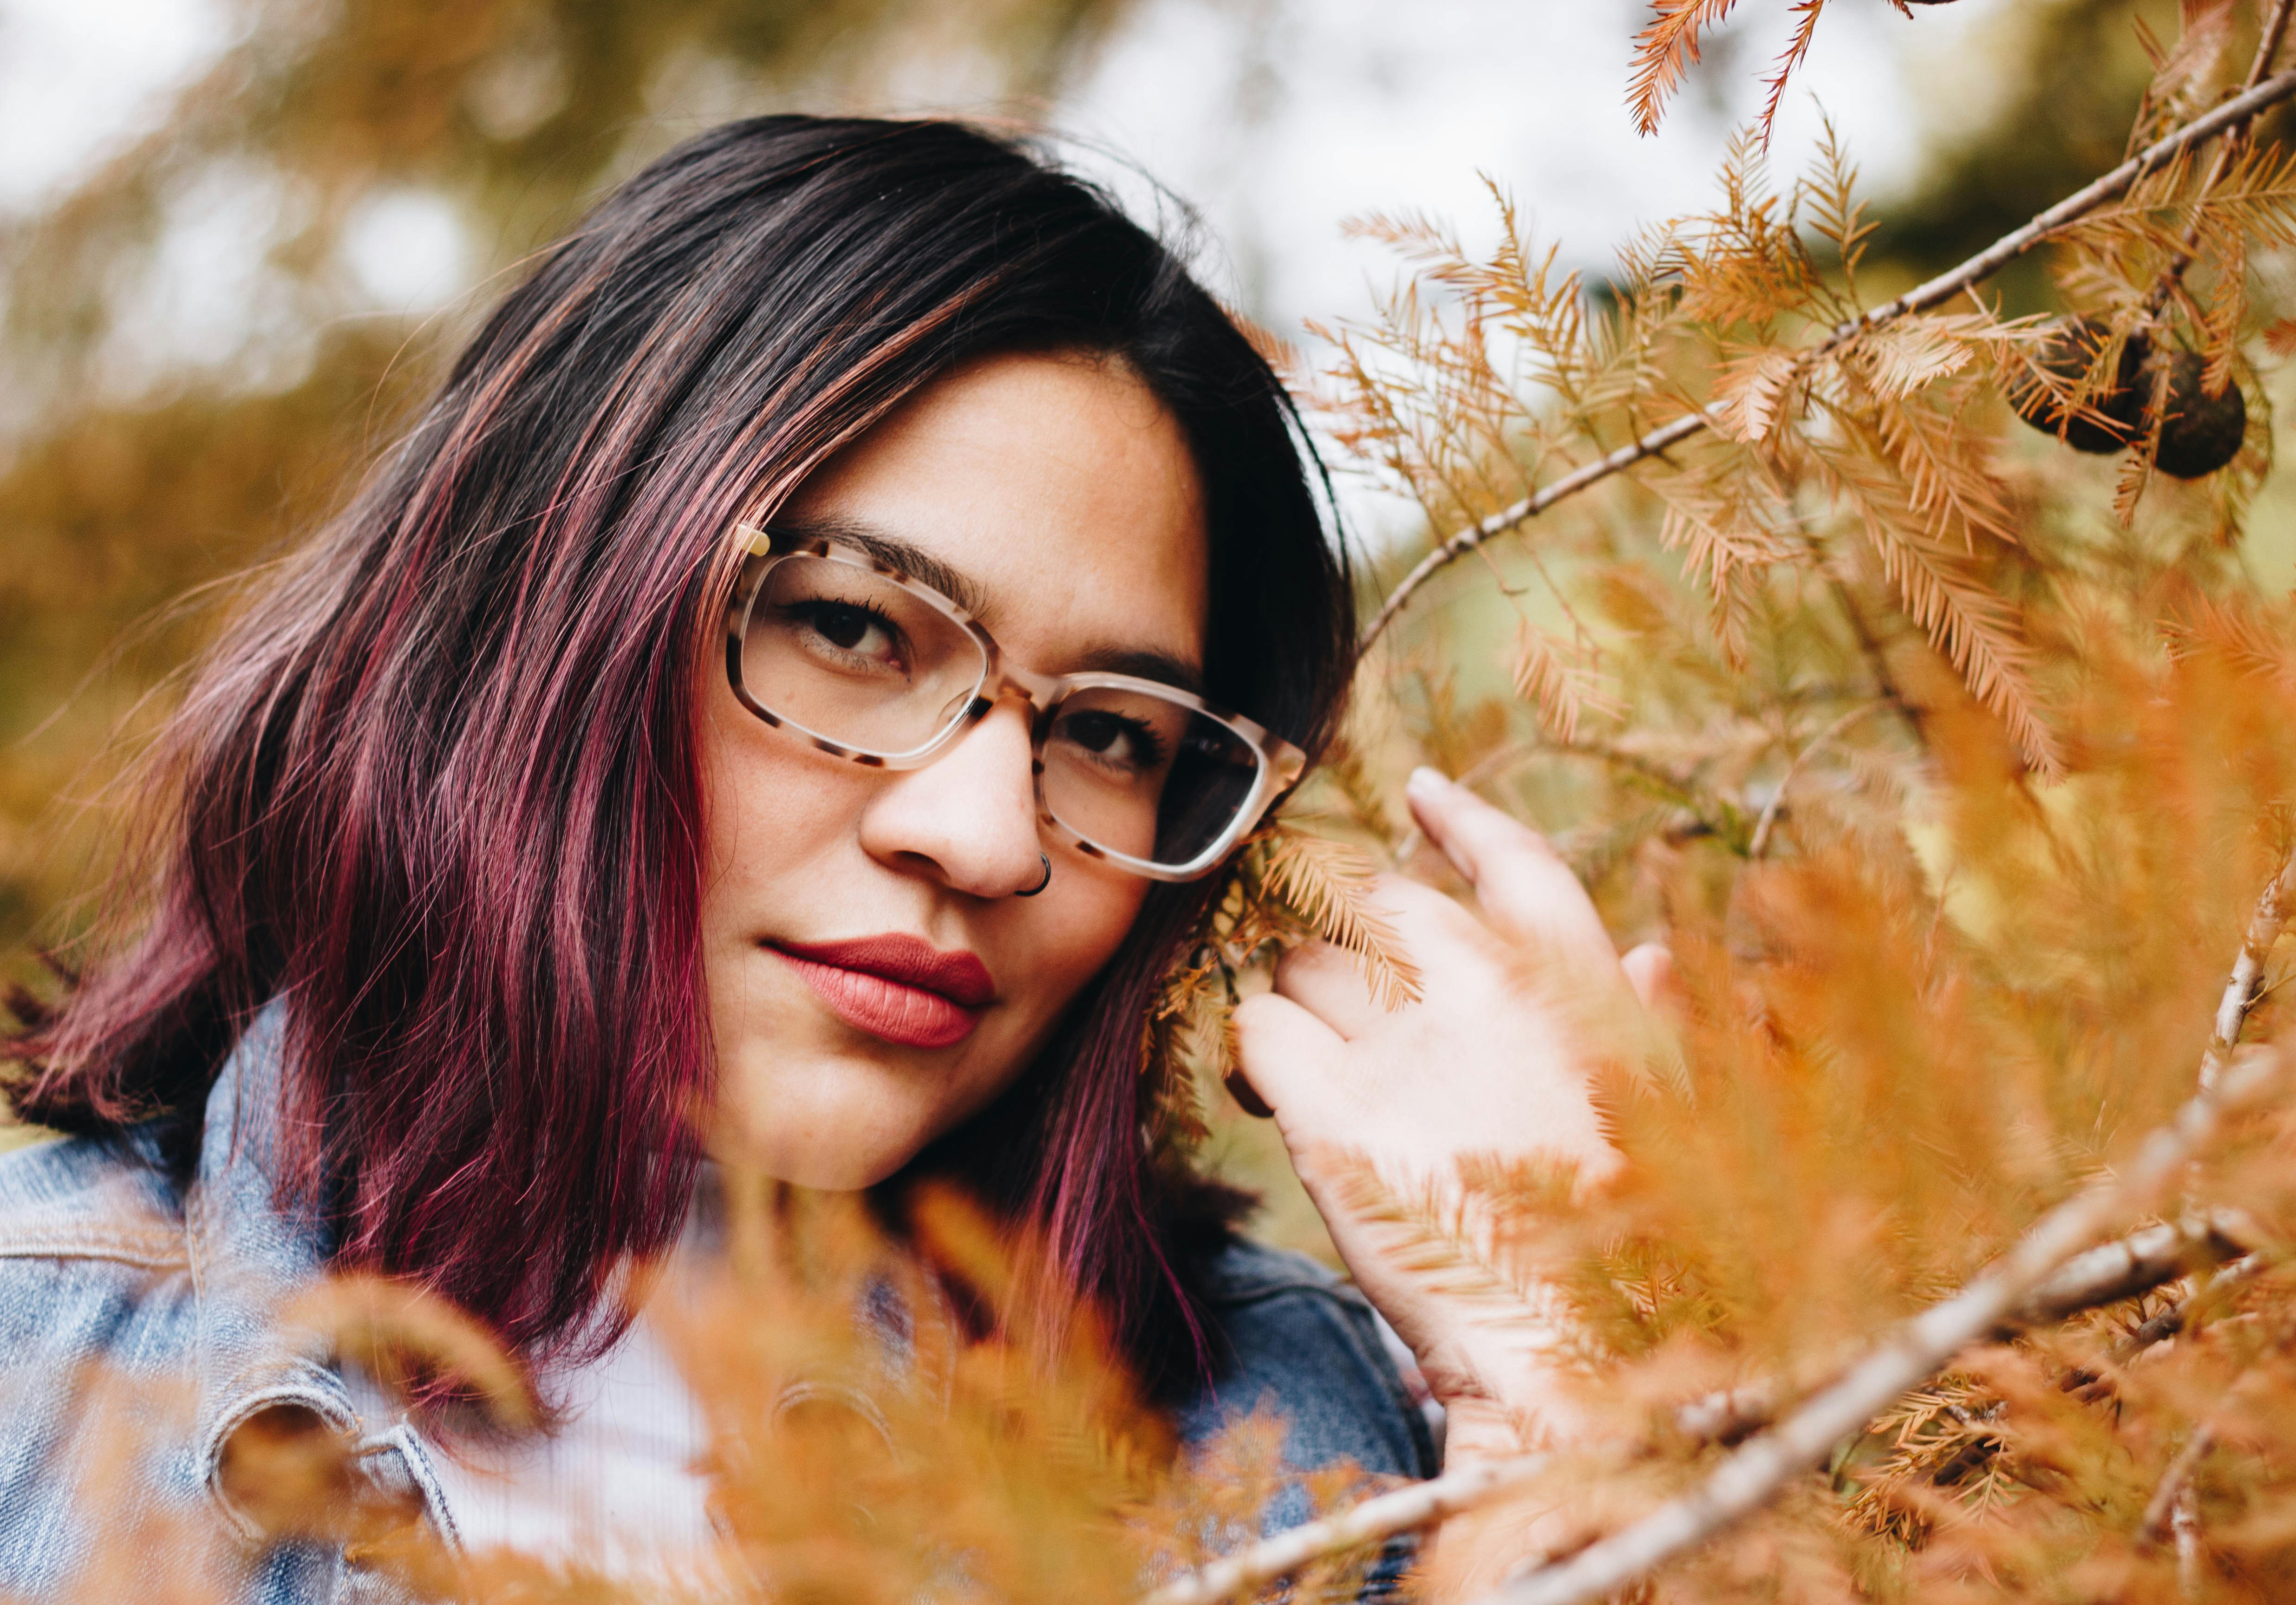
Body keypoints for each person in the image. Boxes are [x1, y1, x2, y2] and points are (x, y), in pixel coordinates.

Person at [0, 117, 1667, 1602]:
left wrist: (1567, 1376)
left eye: (1110, 733)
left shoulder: (1268, 1432)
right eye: (856, 627)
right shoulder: (35, 1359)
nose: (988, 834)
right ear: (532, 619)